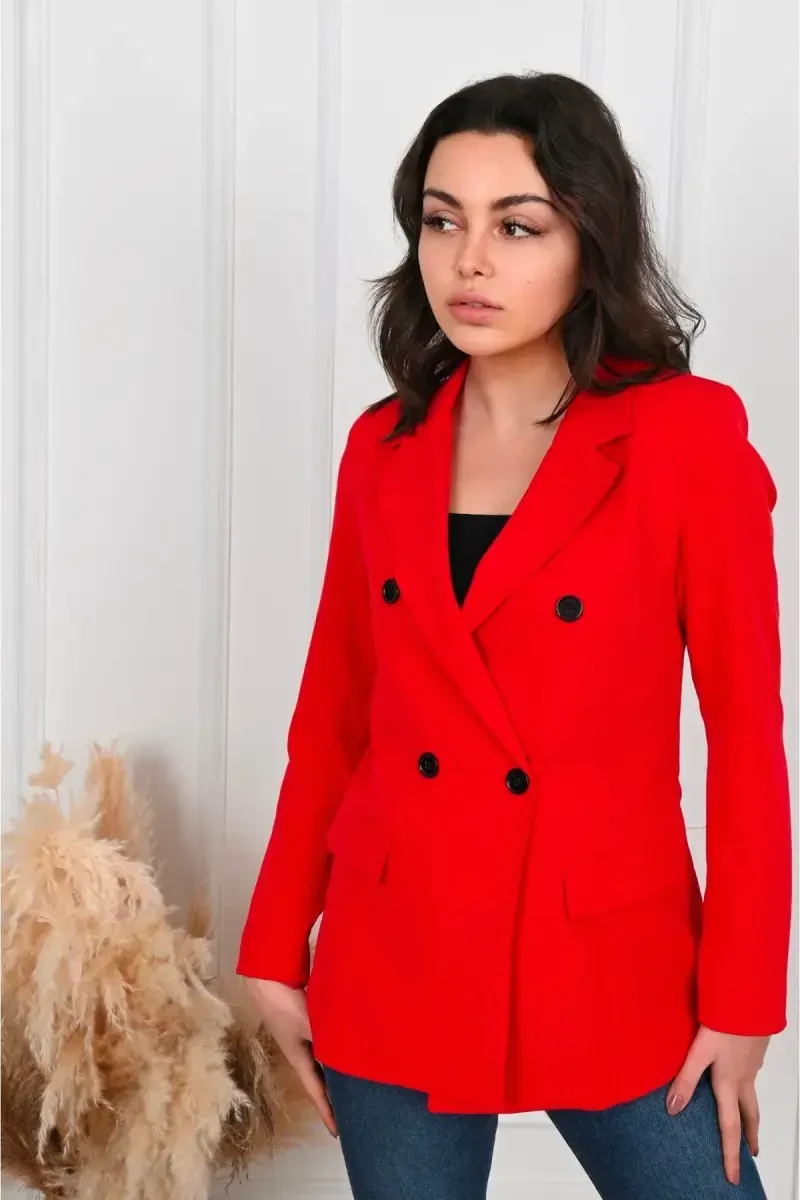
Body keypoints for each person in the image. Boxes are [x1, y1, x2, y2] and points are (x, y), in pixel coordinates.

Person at [236, 72, 792, 1199]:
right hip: (396, 942)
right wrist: (274, 943)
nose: (469, 262)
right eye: (442, 221)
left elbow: (746, 736)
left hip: (609, 954)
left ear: (590, 237)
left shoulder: (683, 436)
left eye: (517, 226)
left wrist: (742, 1002)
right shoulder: (383, 447)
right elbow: (334, 714)